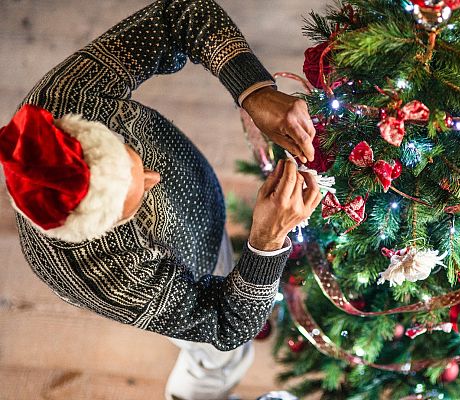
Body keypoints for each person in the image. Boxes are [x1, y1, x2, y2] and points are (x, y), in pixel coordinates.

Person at [0, 1, 323, 399]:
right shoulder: (107, 275)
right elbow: (225, 325)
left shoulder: (69, 100)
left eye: (133, 157)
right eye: (136, 200)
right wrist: (267, 241)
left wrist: (253, 90)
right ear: (105, 230)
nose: (155, 177)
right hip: (190, 265)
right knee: (220, 358)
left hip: (199, 220)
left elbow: (181, 14)